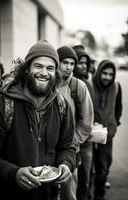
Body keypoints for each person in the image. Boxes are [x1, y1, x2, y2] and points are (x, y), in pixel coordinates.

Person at [0, 40, 76, 200]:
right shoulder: (1, 106)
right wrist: (14, 173)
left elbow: (67, 147)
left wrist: (66, 164)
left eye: (50, 68)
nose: (44, 73)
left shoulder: (62, 106)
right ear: (26, 70)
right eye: (38, 66)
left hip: (49, 194)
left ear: (56, 73)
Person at [57, 45, 94, 200]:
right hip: (47, 149)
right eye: (65, 62)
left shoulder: (78, 86)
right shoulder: (46, 84)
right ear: (57, 62)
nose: (69, 67)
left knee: (68, 193)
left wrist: (71, 143)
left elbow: (86, 123)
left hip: (70, 151)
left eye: (72, 64)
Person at [87, 59, 122, 200]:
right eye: (104, 73)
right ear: (99, 72)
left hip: (106, 135)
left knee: (104, 167)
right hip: (89, 134)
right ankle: (86, 193)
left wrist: (114, 123)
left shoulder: (117, 86)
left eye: (110, 74)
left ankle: (99, 195)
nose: (107, 77)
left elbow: (118, 107)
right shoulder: (89, 85)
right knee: (88, 168)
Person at [73, 44, 93, 200]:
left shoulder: (88, 83)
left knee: (85, 177)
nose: (83, 66)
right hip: (69, 140)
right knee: (71, 180)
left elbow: (91, 113)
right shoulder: (68, 84)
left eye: (86, 63)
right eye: (80, 62)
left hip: (85, 140)